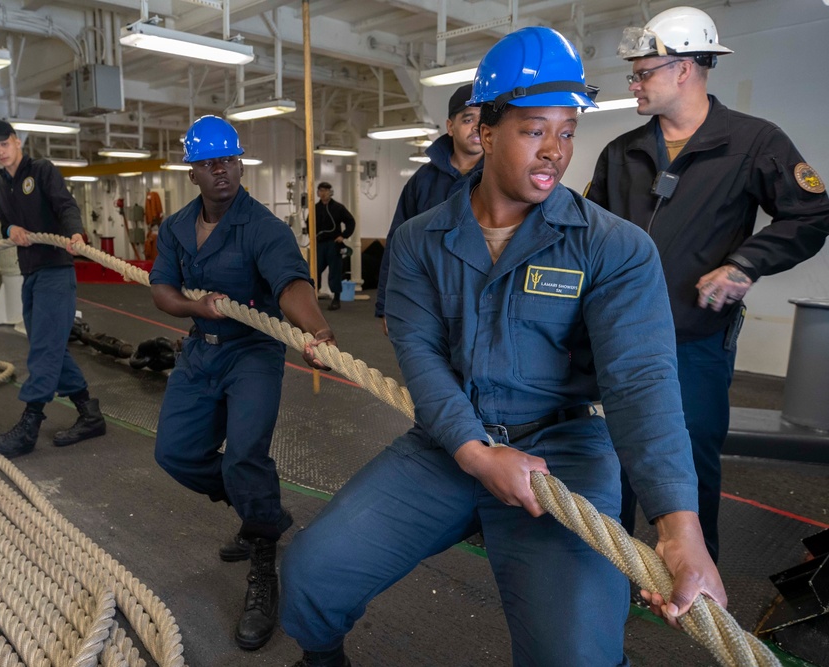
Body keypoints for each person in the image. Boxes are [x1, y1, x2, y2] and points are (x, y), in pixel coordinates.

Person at [280, 27, 726, 667]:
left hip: (564, 451)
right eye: (533, 130)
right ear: (484, 131)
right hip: (448, 440)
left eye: (567, 131)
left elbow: (641, 384)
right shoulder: (416, 242)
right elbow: (421, 357)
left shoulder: (614, 247)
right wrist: (475, 451)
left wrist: (679, 529)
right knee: (311, 575)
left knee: (577, 656)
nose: (555, 151)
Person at [585, 6, 829, 562]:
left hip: (693, 342)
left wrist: (745, 264)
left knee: (691, 458)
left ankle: (697, 584)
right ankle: (610, 572)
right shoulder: (621, 152)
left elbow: (812, 214)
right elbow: (590, 237)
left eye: (643, 72)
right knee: (611, 456)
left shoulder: (754, 143)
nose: (635, 83)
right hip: (616, 337)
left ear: (686, 69)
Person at [149, 115, 335, 651]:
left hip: (252, 354)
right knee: (174, 453)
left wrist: (316, 330)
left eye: (229, 161)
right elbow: (161, 288)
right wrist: (194, 306)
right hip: (198, 353)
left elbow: (290, 283)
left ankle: (261, 560)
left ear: (238, 163)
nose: (222, 171)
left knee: (244, 457)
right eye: (209, 164)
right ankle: (263, 515)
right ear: (194, 173)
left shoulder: (263, 228)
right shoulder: (179, 227)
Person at [0, 119, 106, 458]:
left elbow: (65, 205)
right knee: (47, 345)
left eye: (3, 144)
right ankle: (90, 415)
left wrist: (75, 233)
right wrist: (10, 230)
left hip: (56, 270)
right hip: (30, 272)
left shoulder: (42, 170)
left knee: (43, 351)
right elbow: (4, 220)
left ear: (16, 141)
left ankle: (29, 426)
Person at [374, 82, 484, 332]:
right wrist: (387, 304)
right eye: (468, 119)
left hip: (482, 302)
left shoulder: (501, 178)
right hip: (427, 300)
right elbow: (397, 242)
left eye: (484, 118)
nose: (477, 126)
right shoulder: (422, 181)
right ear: (450, 127)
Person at [308, 182, 355, 310]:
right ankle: (312, 298)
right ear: (318, 192)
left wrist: (343, 236)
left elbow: (351, 221)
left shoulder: (338, 208)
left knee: (335, 271)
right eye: (321, 190)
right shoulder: (315, 209)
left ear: (330, 192)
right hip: (319, 244)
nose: (323, 193)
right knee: (314, 271)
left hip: (334, 244)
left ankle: (336, 299)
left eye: (325, 190)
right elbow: (308, 225)